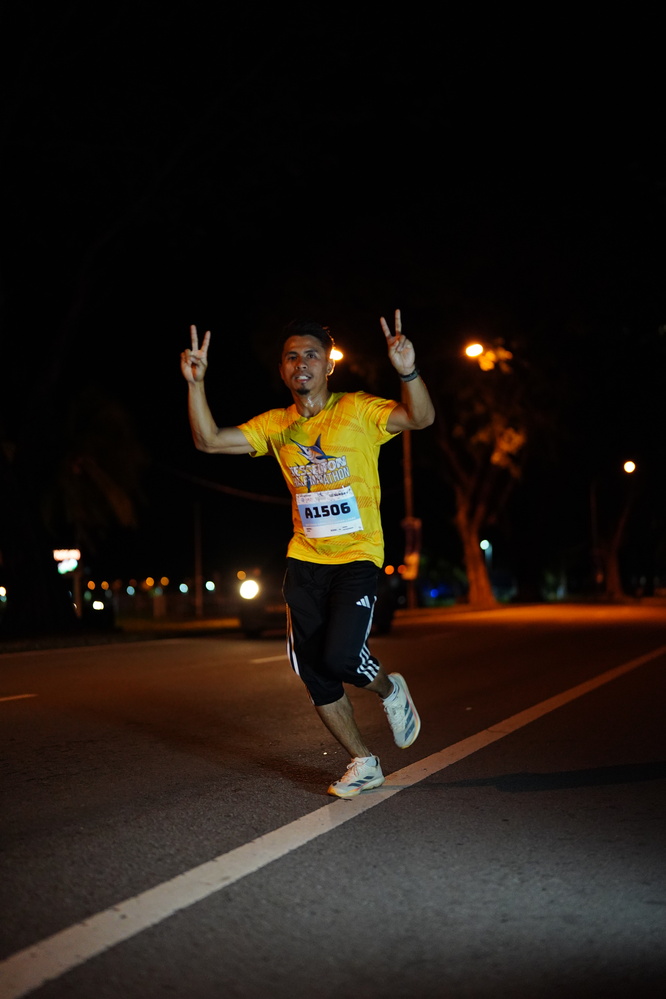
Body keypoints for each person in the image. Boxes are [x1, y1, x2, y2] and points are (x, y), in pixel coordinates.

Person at [180, 310, 435, 797]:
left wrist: (408, 372)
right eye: (292, 357)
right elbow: (208, 441)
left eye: (312, 355)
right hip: (305, 560)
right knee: (312, 670)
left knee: (340, 656)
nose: (302, 363)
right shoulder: (276, 425)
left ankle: (390, 689)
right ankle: (364, 761)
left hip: (357, 556)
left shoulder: (358, 409)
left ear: (329, 365)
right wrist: (196, 383)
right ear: (282, 370)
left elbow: (420, 418)